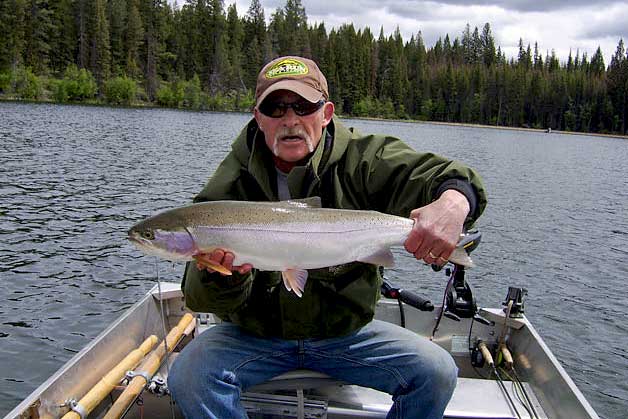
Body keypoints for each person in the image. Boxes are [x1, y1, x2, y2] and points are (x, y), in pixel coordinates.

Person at [167, 56, 487, 419]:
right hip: (254, 337)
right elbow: (198, 297)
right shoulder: (228, 185)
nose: (290, 120)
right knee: (190, 376)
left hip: (345, 335)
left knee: (438, 372)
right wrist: (218, 275)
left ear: (326, 112)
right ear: (258, 117)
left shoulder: (365, 159)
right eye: (275, 108)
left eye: (303, 106)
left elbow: (446, 175)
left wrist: (454, 201)